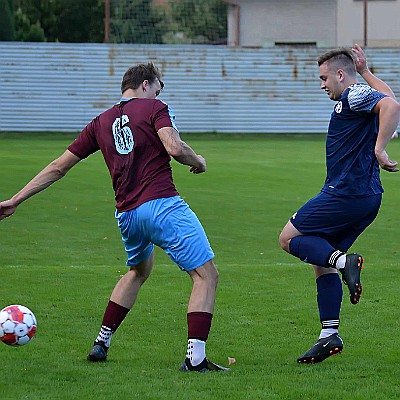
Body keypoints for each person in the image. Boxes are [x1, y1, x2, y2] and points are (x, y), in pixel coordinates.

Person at [0, 62, 228, 372]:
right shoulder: (154, 107)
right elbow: (174, 147)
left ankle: (101, 343)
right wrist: (198, 160)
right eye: (158, 89)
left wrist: (16, 199)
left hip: (128, 215)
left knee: (138, 271)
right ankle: (196, 358)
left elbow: (58, 166)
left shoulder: (101, 122)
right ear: (146, 85)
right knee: (206, 275)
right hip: (162, 206)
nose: (158, 95)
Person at [279, 44, 400, 364]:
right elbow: (386, 96)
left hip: (345, 193)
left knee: (288, 239)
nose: (322, 85)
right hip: (367, 196)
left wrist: (380, 150)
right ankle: (328, 336)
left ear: (340, 75)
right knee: (322, 259)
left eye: (323, 78)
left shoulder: (354, 95)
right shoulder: (360, 90)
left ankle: (346, 263)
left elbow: (391, 106)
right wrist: (366, 70)